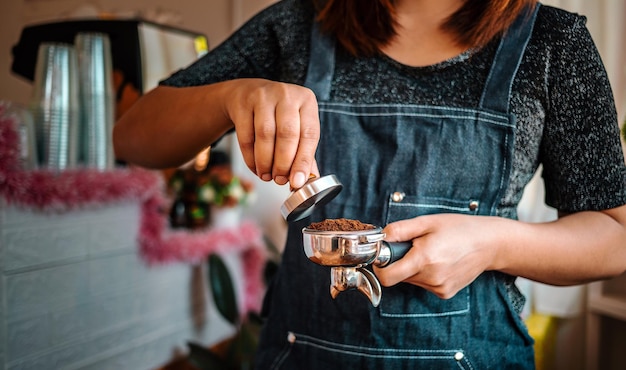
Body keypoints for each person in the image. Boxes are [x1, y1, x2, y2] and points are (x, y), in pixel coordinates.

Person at [114, 0, 626, 368]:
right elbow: (134, 138)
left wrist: (493, 242)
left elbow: (615, 235)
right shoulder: (295, 23)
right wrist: (229, 95)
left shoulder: (552, 43)